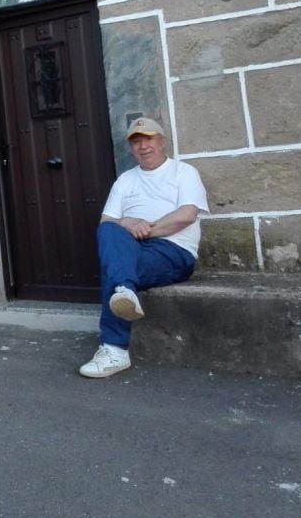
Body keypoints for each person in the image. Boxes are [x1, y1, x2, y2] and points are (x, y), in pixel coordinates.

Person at [79, 117, 209, 378]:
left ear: (162, 142)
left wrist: (144, 230)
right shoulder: (126, 180)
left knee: (115, 268)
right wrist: (128, 222)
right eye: (136, 142)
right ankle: (124, 291)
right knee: (110, 234)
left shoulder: (183, 172)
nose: (143, 146)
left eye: (148, 139)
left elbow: (186, 215)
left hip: (173, 252)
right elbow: (108, 222)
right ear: (131, 148)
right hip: (133, 250)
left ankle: (114, 348)